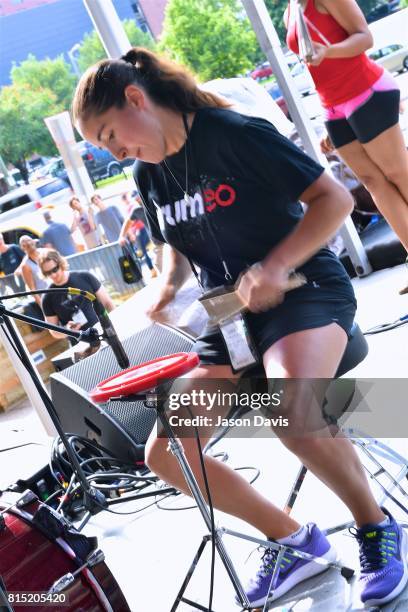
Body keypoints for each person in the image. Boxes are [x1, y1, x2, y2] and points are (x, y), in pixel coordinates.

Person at [72, 47, 407, 608]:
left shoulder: (232, 132)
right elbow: (176, 246)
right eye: (103, 146)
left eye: (109, 135)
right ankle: (294, 541)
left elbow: (334, 199)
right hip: (231, 317)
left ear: (136, 99)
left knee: (292, 411)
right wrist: (166, 284)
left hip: (306, 291)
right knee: (168, 450)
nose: (113, 151)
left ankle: (376, 528)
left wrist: (274, 266)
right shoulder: (148, 175)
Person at [284, 0, 408, 274]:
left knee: (398, 173)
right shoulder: (290, 10)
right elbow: (315, 68)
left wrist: (328, 50)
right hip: (334, 107)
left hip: (366, 90)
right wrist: (328, 119)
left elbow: (365, 37)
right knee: (372, 183)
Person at [38, 249, 114, 345]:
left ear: (61, 264)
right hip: (80, 344)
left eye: (54, 269)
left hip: (103, 333)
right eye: (48, 273)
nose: (53, 275)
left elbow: (107, 303)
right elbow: (53, 331)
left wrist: (114, 325)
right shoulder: (47, 297)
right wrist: (66, 330)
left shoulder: (85, 276)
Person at [118, 192, 157, 278]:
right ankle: (152, 270)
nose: (126, 199)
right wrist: (127, 235)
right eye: (124, 198)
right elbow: (128, 222)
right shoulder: (133, 208)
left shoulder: (133, 206)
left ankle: (153, 270)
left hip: (142, 230)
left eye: (126, 197)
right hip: (139, 231)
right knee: (144, 251)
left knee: (145, 250)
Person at [19, 235, 47, 305]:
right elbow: (32, 289)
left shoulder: (45, 252)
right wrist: (42, 306)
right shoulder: (25, 265)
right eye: (24, 243)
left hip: (59, 288)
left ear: (34, 241)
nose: (28, 243)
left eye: (29, 240)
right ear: (22, 247)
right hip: (46, 297)